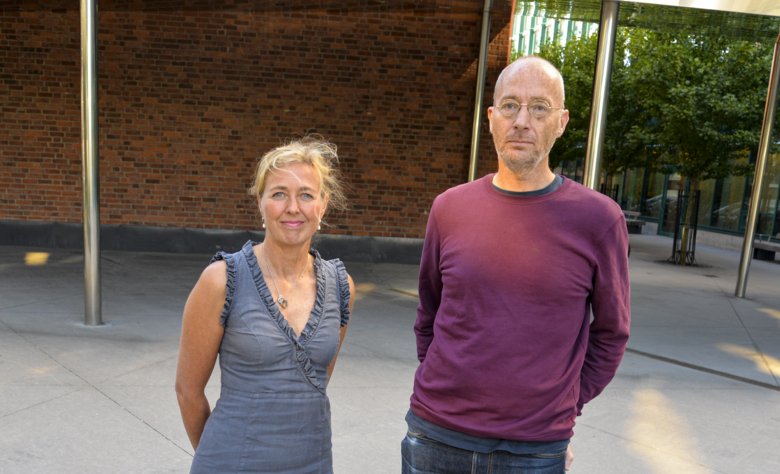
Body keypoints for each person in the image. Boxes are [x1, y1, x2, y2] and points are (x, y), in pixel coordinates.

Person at [403, 56, 630, 473]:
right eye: (510, 105)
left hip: (534, 451)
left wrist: (567, 403)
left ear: (561, 122)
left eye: (539, 107)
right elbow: (429, 313)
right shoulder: (449, 208)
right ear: (491, 118)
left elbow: (612, 333)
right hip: (435, 435)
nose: (521, 120)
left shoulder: (599, 219)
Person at [175, 137, 355, 473]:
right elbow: (188, 391)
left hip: (312, 462)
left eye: (306, 194)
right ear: (260, 203)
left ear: (323, 205)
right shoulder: (221, 280)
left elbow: (314, 382)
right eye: (278, 194)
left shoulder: (341, 286)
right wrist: (221, 458)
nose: (292, 207)